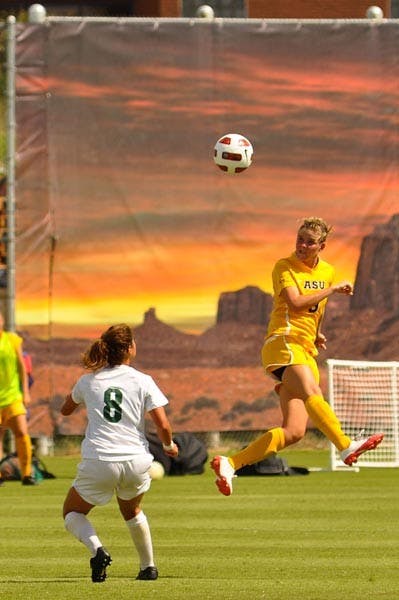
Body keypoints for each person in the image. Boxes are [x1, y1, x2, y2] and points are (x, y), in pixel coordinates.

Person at [211, 217, 384, 496]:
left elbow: (319, 309)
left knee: (293, 432)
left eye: (309, 242)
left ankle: (230, 463)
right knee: (312, 391)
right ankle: (344, 445)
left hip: (304, 348)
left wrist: (317, 333)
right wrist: (333, 290)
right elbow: (295, 302)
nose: (302, 245)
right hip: (283, 342)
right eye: (299, 239)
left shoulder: (326, 271)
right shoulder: (284, 266)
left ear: (322, 246)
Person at [61, 323, 178, 583]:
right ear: (128, 348)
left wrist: (86, 399)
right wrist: (169, 446)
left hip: (100, 460)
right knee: (133, 511)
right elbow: (163, 425)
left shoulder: (88, 380)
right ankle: (148, 567)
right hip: (135, 460)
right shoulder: (142, 380)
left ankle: (98, 550)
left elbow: (65, 410)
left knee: (72, 512)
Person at [0, 311, 35, 485]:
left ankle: (27, 474)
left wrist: (25, 392)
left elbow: (22, 367)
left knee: (22, 432)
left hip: (13, 397)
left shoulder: (12, 339)